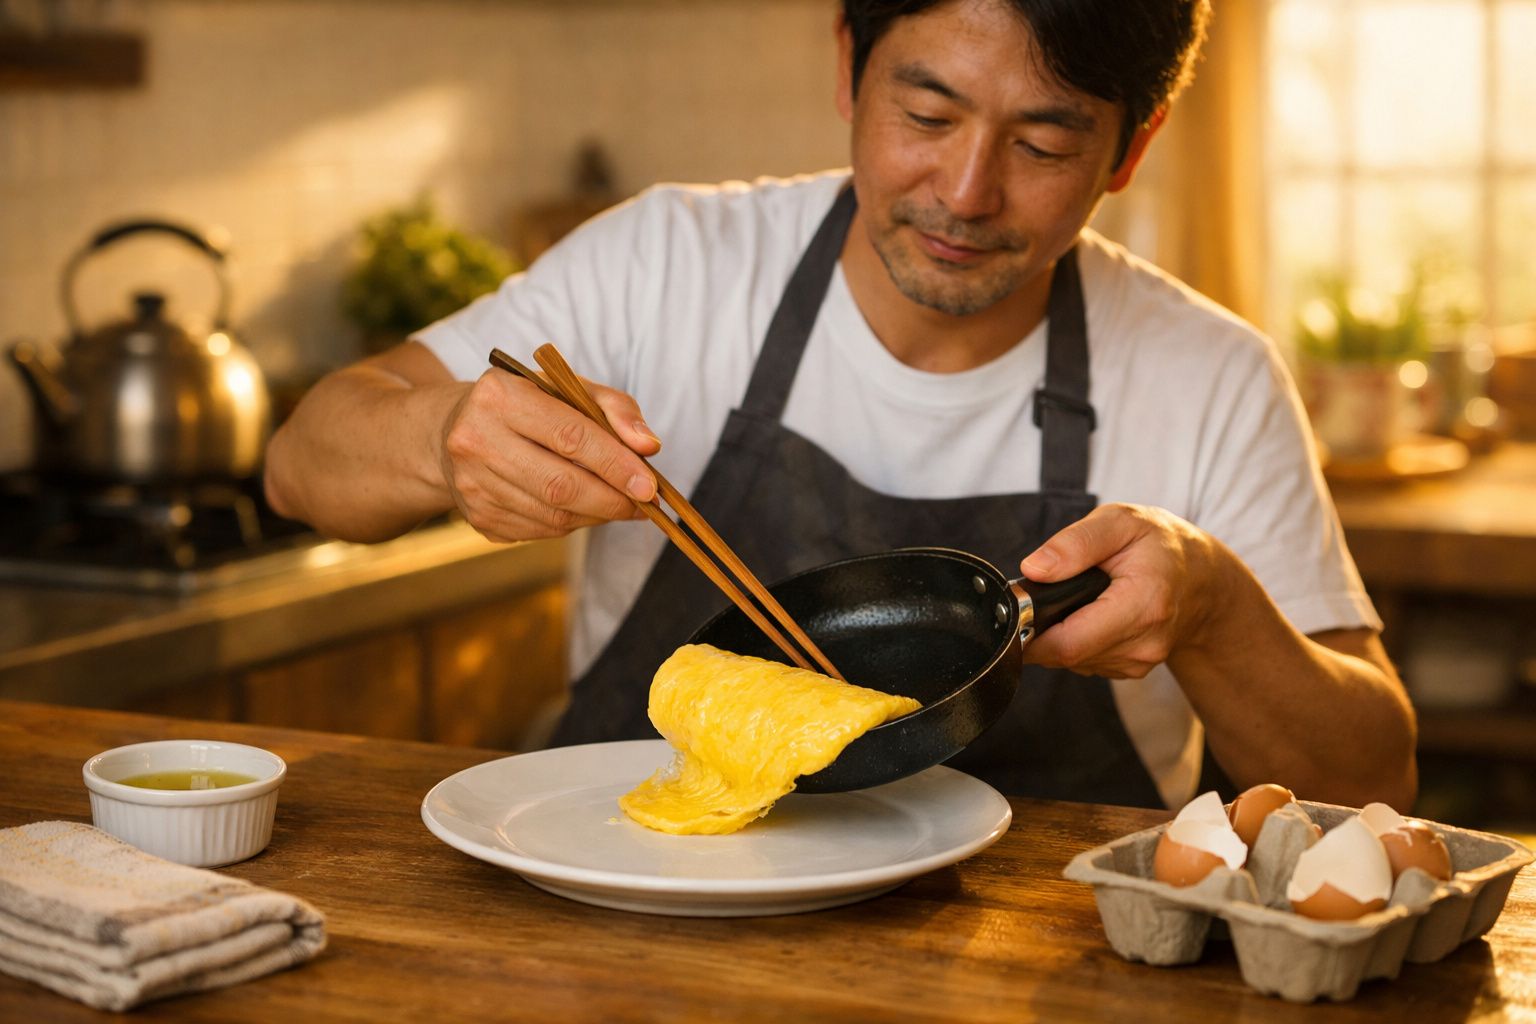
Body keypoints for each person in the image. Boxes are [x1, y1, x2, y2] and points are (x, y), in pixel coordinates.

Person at [265, 0, 1417, 811]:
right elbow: (302, 466)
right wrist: (435, 432)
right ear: (847, 68)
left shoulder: (1210, 373)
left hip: (1037, 975)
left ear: (1133, 148)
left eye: (1044, 141)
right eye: (926, 116)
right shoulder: (664, 261)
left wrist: (1216, 610)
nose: (967, 193)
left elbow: (1369, 781)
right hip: (636, 932)